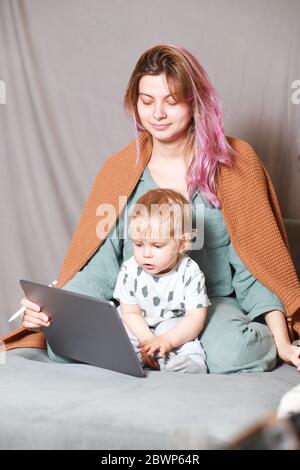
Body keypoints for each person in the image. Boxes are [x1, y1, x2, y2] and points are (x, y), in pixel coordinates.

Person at [3, 44, 300, 373]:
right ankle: (167, 352)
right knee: (64, 345)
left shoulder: (235, 163)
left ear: (195, 101)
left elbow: (255, 267)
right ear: (134, 102)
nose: (157, 114)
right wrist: (52, 307)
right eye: (147, 101)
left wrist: (283, 340)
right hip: (140, 308)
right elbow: (98, 266)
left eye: (171, 102)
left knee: (237, 352)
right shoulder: (119, 170)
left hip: (211, 303)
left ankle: (192, 347)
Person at [113, 188, 210, 373]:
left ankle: (191, 364)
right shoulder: (130, 269)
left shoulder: (190, 272)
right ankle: (135, 357)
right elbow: (130, 312)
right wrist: (147, 341)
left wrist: (167, 340)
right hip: (138, 322)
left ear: (182, 244)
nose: (146, 254)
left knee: (185, 338)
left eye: (157, 246)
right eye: (139, 244)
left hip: (173, 322)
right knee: (120, 325)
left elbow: (195, 318)